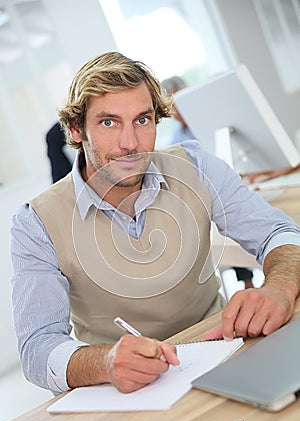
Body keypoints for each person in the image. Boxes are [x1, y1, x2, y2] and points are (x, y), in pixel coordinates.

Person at [10, 52, 300, 396]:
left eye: (142, 120)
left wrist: (279, 286)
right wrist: (104, 362)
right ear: (76, 130)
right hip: (120, 387)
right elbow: (37, 348)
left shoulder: (196, 165)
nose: (130, 143)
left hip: (222, 350)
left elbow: (278, 232)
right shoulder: (35, 222)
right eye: (108, 122)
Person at [162, 75, 255, 289]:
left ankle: (248, 282)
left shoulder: (211, 125)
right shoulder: (176, 137)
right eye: (170, 106)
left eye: (177, 103)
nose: (175, 111)